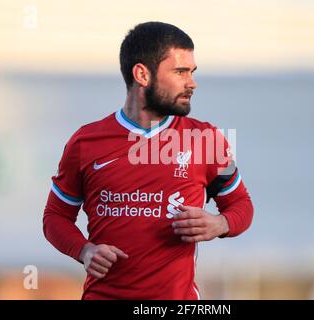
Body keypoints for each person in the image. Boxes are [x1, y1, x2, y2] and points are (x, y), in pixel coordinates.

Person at [43, 21, 254, 300]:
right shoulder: (85, 142)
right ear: (142, 74)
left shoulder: (206, 140)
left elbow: (241, 205)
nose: (192, 83)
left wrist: (220, 224)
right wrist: (84, 250)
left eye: (192, 72)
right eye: (180, 72)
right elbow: (55, 216)